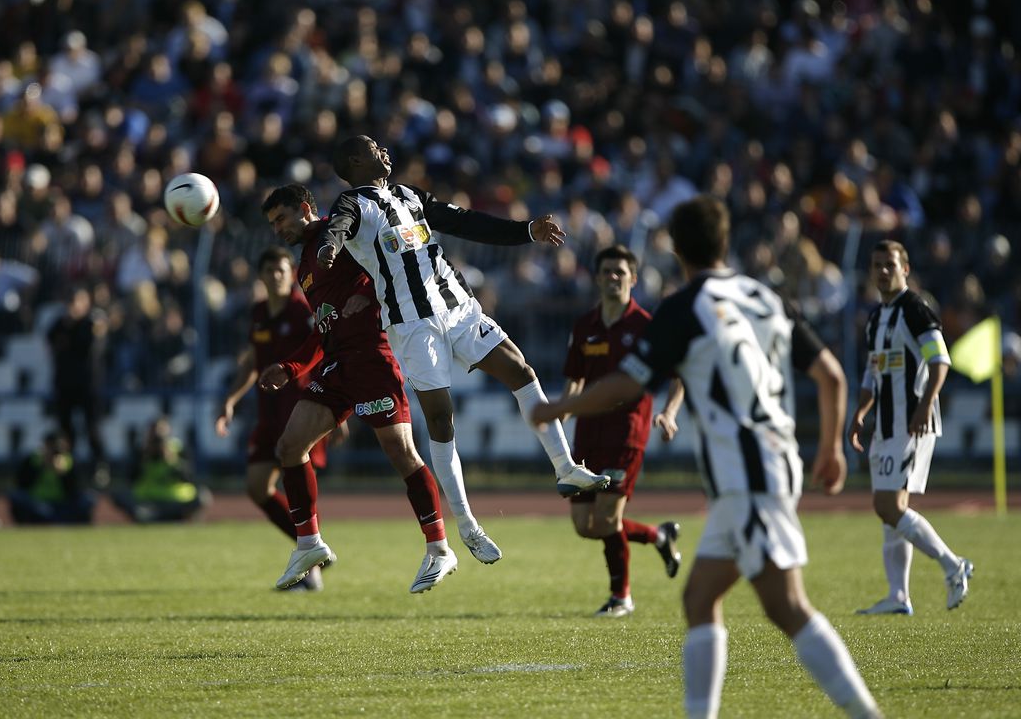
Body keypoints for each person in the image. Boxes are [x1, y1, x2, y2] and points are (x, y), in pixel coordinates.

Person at [534, 196, 880, 719]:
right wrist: (830, 447)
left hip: (748, 472)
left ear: (675, 248)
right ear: (725, 241)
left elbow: (629, 383)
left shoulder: (683, 307)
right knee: (699, 600)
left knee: (787, 606)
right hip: (762, 467)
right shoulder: (764, 296)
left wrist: (560, 406)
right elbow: (832, 375)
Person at [320, 135, 609, 562]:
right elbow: (338, 225)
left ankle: (566, 468)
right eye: (372, 148)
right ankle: (468, 526)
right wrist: (331, 245)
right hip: (413, 325)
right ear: (353, 161)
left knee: (521, 370)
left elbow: (466, 221)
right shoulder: (354, 204)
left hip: (458, 307)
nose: (383, 150)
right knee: (441, 419)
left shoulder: (409, 195)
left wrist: (526, 230)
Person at [260, 184, 457, 593]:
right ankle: (309, 542)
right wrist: (290, 365)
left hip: (371, 358)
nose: (277, 229)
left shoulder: (345, 232)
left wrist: (369, 296)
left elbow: (393, 268)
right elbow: (324, 326)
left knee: (402, 454)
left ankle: (439, 547)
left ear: (304, 208)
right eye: (271, 223)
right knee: (289, 447)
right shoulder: (305, 266)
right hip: (336, 364)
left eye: (280, 219)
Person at [847, 240, 972, 614]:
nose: (883, 271)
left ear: (906, 269)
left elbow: (940, 362)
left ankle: (953, 565)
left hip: (912, 422)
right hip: (885, 424)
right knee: (890, 511)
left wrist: (921, 406)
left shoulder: (915, 309)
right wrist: (860, 412)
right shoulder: (875, 317)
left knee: (887, 505)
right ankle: (898, 595)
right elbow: (875, 371)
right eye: (877, 265)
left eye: (890, 264)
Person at [560, 245, 685, 617]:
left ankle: (621, 597)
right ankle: (658, 536)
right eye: (607, 271)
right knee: (585, 525)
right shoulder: (585, 326)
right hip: (587, 433)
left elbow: (678, 378)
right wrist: (562, 413)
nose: (614, 277)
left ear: (633, 277)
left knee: (609, 520)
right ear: (597, 278)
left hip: (626, 434)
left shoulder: (647, 327)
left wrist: (669, 412)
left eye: (621, 271)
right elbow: (574, 379)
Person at [216, 247, 331, 588]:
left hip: (302, 409)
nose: (276, 275)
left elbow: (326, 355)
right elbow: (252, 361)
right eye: (270, 270)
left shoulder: (303, 312)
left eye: (282, 269)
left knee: (295, 482)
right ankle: (314, 550)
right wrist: (231, 400)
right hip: (269, 412)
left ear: (291, 273)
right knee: (256, 488)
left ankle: (311, 561)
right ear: (262, 276)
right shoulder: (258, 314)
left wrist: (337, 411)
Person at [47, 286, 109, 486]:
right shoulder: (59, 324)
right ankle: (69, 471)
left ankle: (100, 468)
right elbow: (51, 342)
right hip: (64, 385)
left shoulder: (90, 324)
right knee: (66, 431)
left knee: (92, 428)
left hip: (88, 386)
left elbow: (92, 346)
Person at [113, 417, 208, 523]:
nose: (157, 440)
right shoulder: (140, 452)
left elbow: (190, 477)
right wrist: (144, 460)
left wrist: (173, 461)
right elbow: (130, 479)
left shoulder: (179, 450)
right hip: (149, 501)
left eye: (161, 435)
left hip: (177, 500)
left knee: (203, 496)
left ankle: (180, 516)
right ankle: (148, 517)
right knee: (119, 494)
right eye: (154, 436)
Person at [9, 431, 95, 525]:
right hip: (37, 503)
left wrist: (63, 474)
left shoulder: (69, 461)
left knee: (88, 499)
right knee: (17, 497)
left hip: (63, 504)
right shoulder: (33, 459)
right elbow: (21, 484)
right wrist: (41, 467)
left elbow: (76, 489)